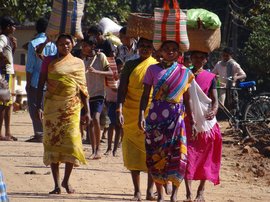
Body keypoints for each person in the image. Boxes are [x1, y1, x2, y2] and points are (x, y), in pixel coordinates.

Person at [138, 41, 194, 202]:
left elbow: (187, 99)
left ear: (178, 53)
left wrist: (193, 121)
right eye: (166, 49)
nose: (170, 52)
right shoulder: (152, 69)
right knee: (156, 155)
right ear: (160, 51)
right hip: (155, 118)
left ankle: (175, 194)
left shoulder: (185, 72)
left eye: (173, 50)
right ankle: (160, 194)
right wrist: (141, 115)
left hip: (176, 118)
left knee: (178, 153)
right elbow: (145, 95)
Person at [36, 33, 91, 194]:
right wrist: (38, 106)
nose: (64, 46)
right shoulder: (48, 61)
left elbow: (83, 89)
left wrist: (87, 111)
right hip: (52, 108)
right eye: (61, 44)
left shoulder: (78, 63)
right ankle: (56, 185)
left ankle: (66, 180)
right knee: (53, 143)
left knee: (72, 143)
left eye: (67, 43)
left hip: (71, 108)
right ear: (56, 45)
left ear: (73, 44)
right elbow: (41, 84)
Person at [117, 37, 158, 201]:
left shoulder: (156, 66)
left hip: (151, 112)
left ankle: (149, 191)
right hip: (130, 111)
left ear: (153, 49)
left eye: (149, 46)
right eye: (142, 46)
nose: (145, 49)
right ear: (137, 47)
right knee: (133, 150)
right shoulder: (130, 64)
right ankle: (137, 191)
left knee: (152, 151)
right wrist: (119, 107)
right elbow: (122, 87)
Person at [184, 51, 222, 201]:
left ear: (206, 60)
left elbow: (215, 100)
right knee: (187, 155)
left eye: (202, 57)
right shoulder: (185, 74)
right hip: (188, 119)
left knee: (206, 156)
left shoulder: (210, 77)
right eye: (195, 57)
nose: (198, 59)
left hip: (206, 123)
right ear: (191, 58)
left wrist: (213, 111)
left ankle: (201, 190)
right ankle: (188, 193)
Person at [25, 17, 57, 143]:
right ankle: (46, 133)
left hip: (36, 80)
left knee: (35, 106)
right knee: (47, 107)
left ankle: (39, 134)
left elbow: (30, 66)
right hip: (49, 80)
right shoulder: (53, 44)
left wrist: (28, 83)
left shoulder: (33, 43)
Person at [81, 36, 113, 159]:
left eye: (85, 46)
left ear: (92, 46)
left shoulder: (100, 57)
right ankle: (94, 150)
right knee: (89, 121)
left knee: (95, 118)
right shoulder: (83, 60)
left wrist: (96, 72)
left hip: (99, 93)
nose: (83, 48)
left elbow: (110, 72)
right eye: (82, 46)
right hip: (87, 94)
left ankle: (98, 149)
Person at [0, 16, 17, 141]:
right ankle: (1, 134)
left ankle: (8, 132)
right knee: (3, 103)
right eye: (13, 26)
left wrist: (14, 48)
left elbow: (8, 54)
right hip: (3, 74)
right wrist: (4, 60)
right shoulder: (2, 38)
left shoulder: (8, 39)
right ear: (7, 27)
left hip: (7, 73)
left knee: (8, 103)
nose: (14, 28)